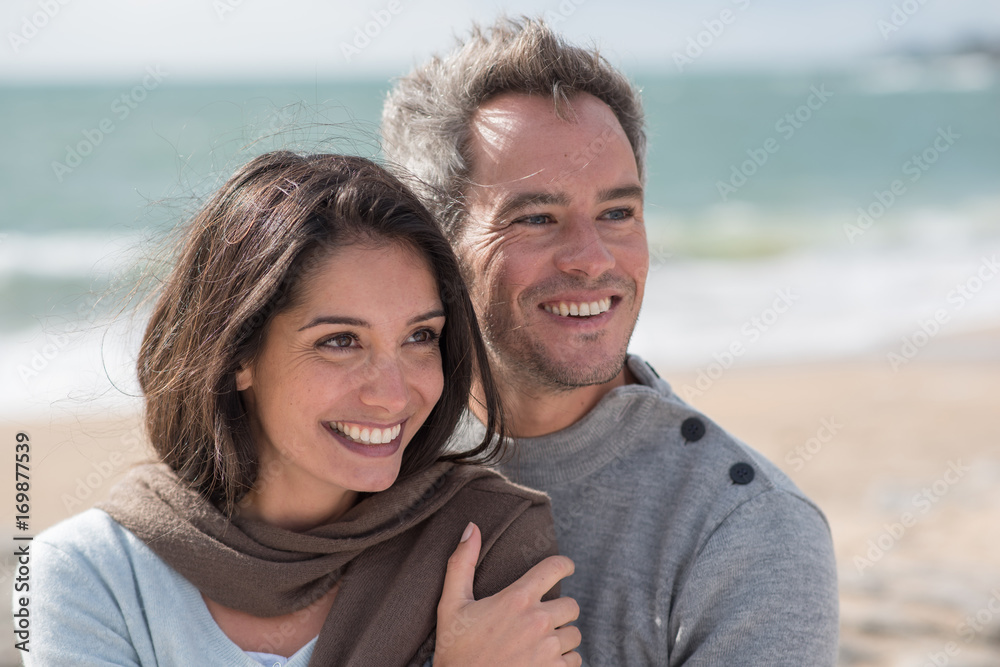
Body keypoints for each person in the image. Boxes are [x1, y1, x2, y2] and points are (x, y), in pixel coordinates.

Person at [381, 16, 840, 666]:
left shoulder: (748, 530)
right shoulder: (366, 456)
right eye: (537, 217)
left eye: (617, 213)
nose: (592, 259)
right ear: (434, 241)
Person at [21, 151, 582, 666]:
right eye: (340, 341)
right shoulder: (87, 576)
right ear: (238, 353)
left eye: (419, 337)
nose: (391, 394)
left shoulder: (484, 539)